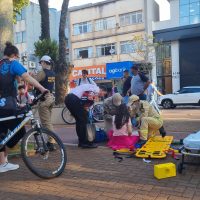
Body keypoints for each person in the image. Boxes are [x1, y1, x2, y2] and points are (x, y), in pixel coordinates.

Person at [0, 42, 47, 173]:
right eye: (18, 57)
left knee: (2, 133)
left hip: (3, 106)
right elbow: (25, 76)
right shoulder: (13, 63)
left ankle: (3, 163)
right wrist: (42, 88)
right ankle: (3, 153)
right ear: (14, 55)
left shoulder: (0, 64)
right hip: (7, 106)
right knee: (20, 130)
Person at [65, 84, 107, 148]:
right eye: (104, 94)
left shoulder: (91, 87)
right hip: (74, 99)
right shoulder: (95, 90)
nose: (103, 96)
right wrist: (86, 110)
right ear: (101, 90)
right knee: (83, 120)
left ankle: (81, 142)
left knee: (79, 121)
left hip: (68, 99)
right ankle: (84, 142)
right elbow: (86, 99)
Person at [32, 55, 56, 150]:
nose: (41, 64)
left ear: (45, 63)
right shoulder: (52, 73)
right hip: (51, 98)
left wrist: (32, 75)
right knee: (48, 122)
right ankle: (51, 141)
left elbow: (34, 81)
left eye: (41, 62)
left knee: (46, 123)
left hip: (44, 100)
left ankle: (51, 143)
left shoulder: (43, 72)